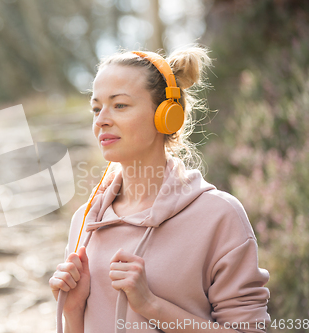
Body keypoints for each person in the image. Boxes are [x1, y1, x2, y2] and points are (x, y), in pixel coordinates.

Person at [48, 46, 271, 333]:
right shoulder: (85, 221)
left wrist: (151, 305)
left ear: (166, 116)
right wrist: (73, 311)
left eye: (120, 105)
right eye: (96, 108)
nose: (101, 119)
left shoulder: (219, 216)